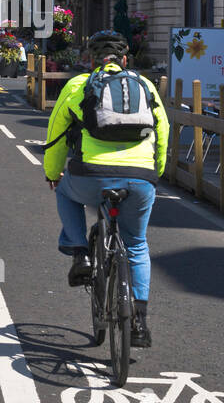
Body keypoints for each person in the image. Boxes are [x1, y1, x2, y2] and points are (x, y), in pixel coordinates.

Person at [43, 30, 169, 349]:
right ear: (126, 59)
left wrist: (52, 173)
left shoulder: (78, 85)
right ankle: (138, 322)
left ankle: (80, 253)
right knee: (137, 244)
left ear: (91, 59)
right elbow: (163, 131)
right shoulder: (145, 85)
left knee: (64, 192)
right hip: (140, 177)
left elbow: (56, 135)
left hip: (91, 175)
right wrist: (157, 172)